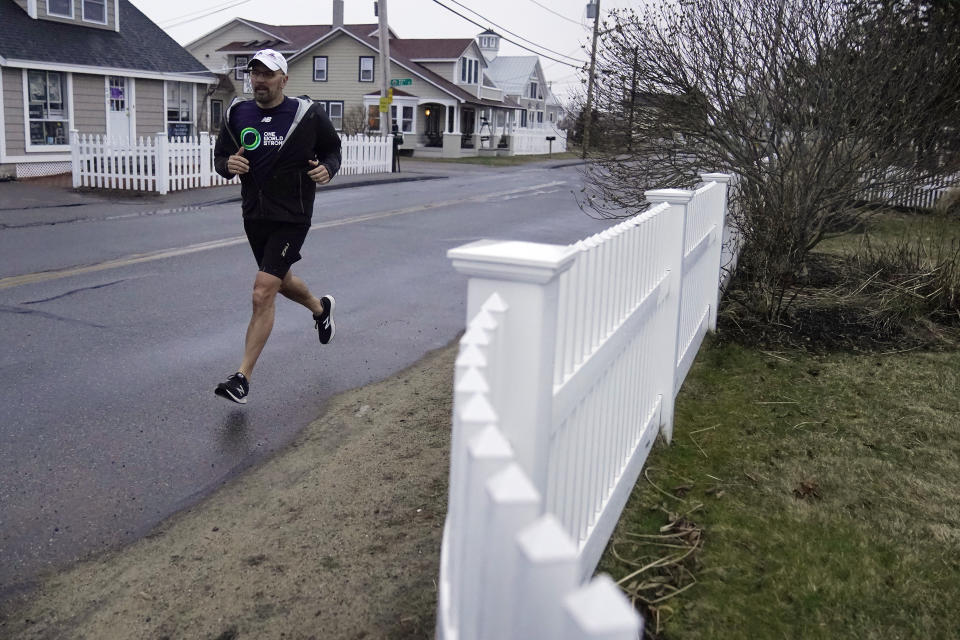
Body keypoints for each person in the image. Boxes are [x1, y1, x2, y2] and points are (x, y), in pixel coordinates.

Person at [212, 48, 342, 404]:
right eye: (255, 73)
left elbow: (333, 148)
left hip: (293, 214)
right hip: (255, 214)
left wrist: (328, 168)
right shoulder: (238, 112)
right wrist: (228, 166)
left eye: (267, 74)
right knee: (279, 281)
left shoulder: (306, 114)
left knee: (262, 290)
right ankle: (320, 309)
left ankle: (242, 378)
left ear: (284, 78)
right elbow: (221, 155)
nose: (259, 81)